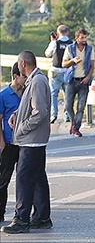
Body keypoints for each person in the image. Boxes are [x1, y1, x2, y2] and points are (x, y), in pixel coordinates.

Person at [1, 51, 52, 234]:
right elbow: (30, 106)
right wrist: (16, 114)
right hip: (34, 140)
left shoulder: (37, 81)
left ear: (22, 64)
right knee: (38, 178)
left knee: (24, 178)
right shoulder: (35, 80)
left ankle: (21, 219)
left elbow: (40, 112)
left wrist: (21, 128)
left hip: (32, 140)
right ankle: (42, 217)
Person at [0, 63, 25, 222]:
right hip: (9, 143)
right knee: (3, 180)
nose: (26, 78)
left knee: (26, 179)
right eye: (23, 76)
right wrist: (1, 143)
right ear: (15, 76)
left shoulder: (27, 92)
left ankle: (24, 212)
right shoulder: (4, 95)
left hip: (25, 143)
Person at [62, 28, 95, 137]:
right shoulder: (70, 49)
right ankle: (73, 123)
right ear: (77, 38)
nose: (84, 40)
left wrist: (88, 77)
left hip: (83, 80)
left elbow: (92, 65)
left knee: (81, 107)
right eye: (82, 37)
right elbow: (64, 64)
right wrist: (72, 61)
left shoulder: (89, 49)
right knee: (68, 105)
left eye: (85, 37)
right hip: (71, 80)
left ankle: (76, 128)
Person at [43, 25, 73, 124]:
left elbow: (47, 54)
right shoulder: (72, 43)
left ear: (58, 32)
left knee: (53, 94)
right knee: (67, 95)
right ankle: (67, 115)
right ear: (67, 32)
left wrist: (52, 41)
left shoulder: (55, 43)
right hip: (67, 72)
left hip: (55, 71)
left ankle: (53, 114)